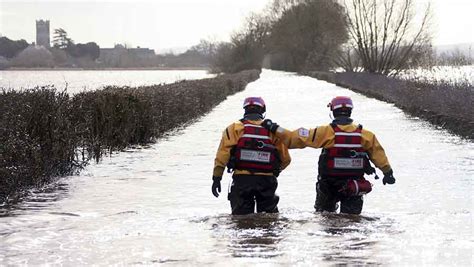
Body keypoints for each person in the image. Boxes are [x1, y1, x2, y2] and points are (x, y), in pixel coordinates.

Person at [262, 96, 395, 215]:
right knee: (352, 220)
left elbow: (293, 139)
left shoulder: (325, 132)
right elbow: (378, 155)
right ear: (350, 111)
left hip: (329, 184)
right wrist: (388, 173)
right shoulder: (366, 135)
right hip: (354, 185)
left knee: (324, 217)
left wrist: (274, 128)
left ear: (332, 111)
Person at [211, 97, 291, 215]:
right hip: (267, 181)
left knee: (241, 220)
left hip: (242, 180)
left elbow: (222, 156)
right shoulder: (273, 131)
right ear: (263, 110)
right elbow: (286, 159)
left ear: (245, 110)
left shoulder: (234, 128)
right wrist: (275, 171)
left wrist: (217, 178)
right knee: (268, 220)